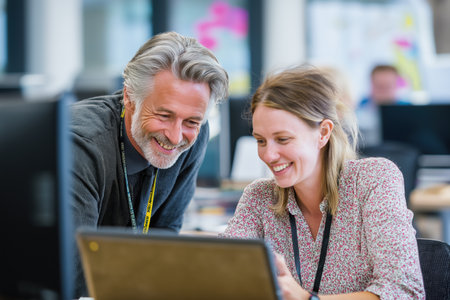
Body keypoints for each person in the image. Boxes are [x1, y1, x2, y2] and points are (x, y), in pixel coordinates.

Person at [221, 65, 424, 299]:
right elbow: (224, 275)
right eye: (261, 140)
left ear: (323, 133)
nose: (268, 155)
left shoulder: (373, 179)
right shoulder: (260, 196)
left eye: (283, 139)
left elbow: (405, 292)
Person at [70, 31, 229, 296]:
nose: (176, 136)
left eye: (192, 121)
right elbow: (75, 270)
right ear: (129, 98)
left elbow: (164, 234)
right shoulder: (81, 146)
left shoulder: (195, 136)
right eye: (164, 115)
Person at [356, 64, 408, 147]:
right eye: (379, 86)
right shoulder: (359, 108)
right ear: (371, 84)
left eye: (388, 86)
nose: (383, 92)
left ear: (396, 86)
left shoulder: (407, 110)